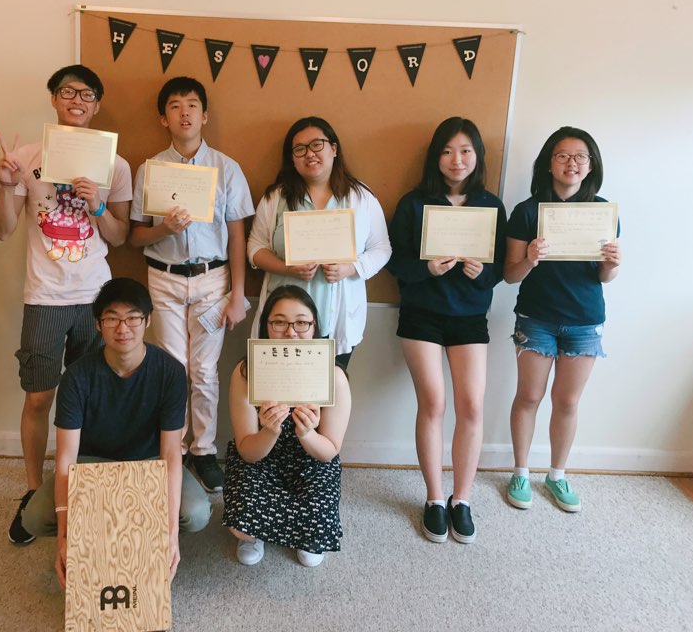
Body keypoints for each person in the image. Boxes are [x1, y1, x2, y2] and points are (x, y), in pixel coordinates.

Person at [0, 64, 132, 545]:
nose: (77, 100)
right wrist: (5, 185)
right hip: (45, 297)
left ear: (97, 105)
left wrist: (97, 206)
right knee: (38, 397)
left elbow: (120, 236)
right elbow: (3, 230)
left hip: (95, 296)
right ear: (53, 98)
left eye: (87, 94)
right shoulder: (24, 158)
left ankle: (86, 486)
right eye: (68, 92)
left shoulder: (115, 165)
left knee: (94, 396)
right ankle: (34, 491)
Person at [19, 278, 211, 585]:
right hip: (92, 465)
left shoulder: (170, 372)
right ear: (98, 324)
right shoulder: (77, 376)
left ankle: (146, 538)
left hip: (148, 463)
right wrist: (65, 537)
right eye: (112, 319)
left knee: (196, 512)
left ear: (147, 321)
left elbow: (170, 453)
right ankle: (93, 538)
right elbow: (66, 458)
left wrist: (171, 534)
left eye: (133, 318)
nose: (123, 328)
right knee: (35, 517)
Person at [129, 77, 254, 493]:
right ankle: (174, 448)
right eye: (175, 106)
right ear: (163, 118)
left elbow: (237, 236)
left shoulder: (226, 168)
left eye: (192, 105)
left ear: (205, 115)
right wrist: (163, 228)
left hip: (212, 280)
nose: (184, 112)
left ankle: (203, 450)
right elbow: (135, 237)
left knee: (203, 371)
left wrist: (238, 294)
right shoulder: (150, 170)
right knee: (172, 368)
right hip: (164, 279)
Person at [387, 117, 506, 544]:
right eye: (448, 151)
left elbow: (499, 270)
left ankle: (463, 499)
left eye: (466, 151)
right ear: (435, 157)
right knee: (433, 402)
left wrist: (480, 273)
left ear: (478, 156)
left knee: (471, 405)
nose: (457, 160)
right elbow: (394, 262)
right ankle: (435, 498)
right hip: (421, 314)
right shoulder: (413, 203)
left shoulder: (491, 205)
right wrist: (427, 268)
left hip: (469, 316)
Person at [504, 126, 621, 513]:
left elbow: (604, 276)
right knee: (529, 396)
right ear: (548, 164)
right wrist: (530, 258)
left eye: (580, 156)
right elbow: (510, 275)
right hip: (535, 318)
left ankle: (557, 475)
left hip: (585, 321)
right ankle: (520, 472)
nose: (572, 163)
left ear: (591, 165)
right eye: (563, 156)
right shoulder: (527, 211)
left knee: (567, 401)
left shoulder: (603, 212)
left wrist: (612, 264)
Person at [247, 117, 391, 372]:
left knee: (329, 391)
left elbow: (382, 248)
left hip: (336, 321)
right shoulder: (276, 197)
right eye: (299, 149)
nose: (309, 154)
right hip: (284, 323)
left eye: (317, 145)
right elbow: (255, 248)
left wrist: (350, 268)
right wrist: (287, 268)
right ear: (292, 158)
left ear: (333, 149)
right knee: (281, 391)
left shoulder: (360, 197)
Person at [222, 285, 352, 567]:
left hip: (311, 461)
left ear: (315, 327)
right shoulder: (245, 372)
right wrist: (269, 430)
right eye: (279, 322)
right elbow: (247, 452)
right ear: (266, 326)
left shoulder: (333, 376)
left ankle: (304, 535)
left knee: (318, 524)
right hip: (261, 459)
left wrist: (306, 433)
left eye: (302, 323)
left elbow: (328, 451)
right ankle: (253, 536)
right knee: (242, 524)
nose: (291, 332)